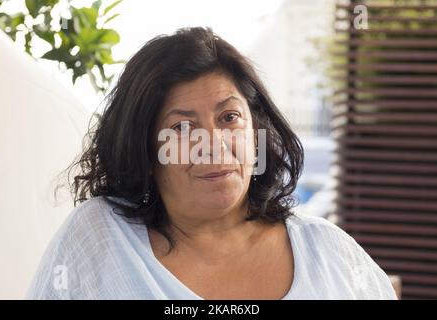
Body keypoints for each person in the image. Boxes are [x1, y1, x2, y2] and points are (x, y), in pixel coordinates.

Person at [26, 27, 397, 300]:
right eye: (183, 127)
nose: (214, 145)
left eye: (229, 118)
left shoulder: (328, 250)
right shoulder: (98, 239)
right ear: (144, 147)